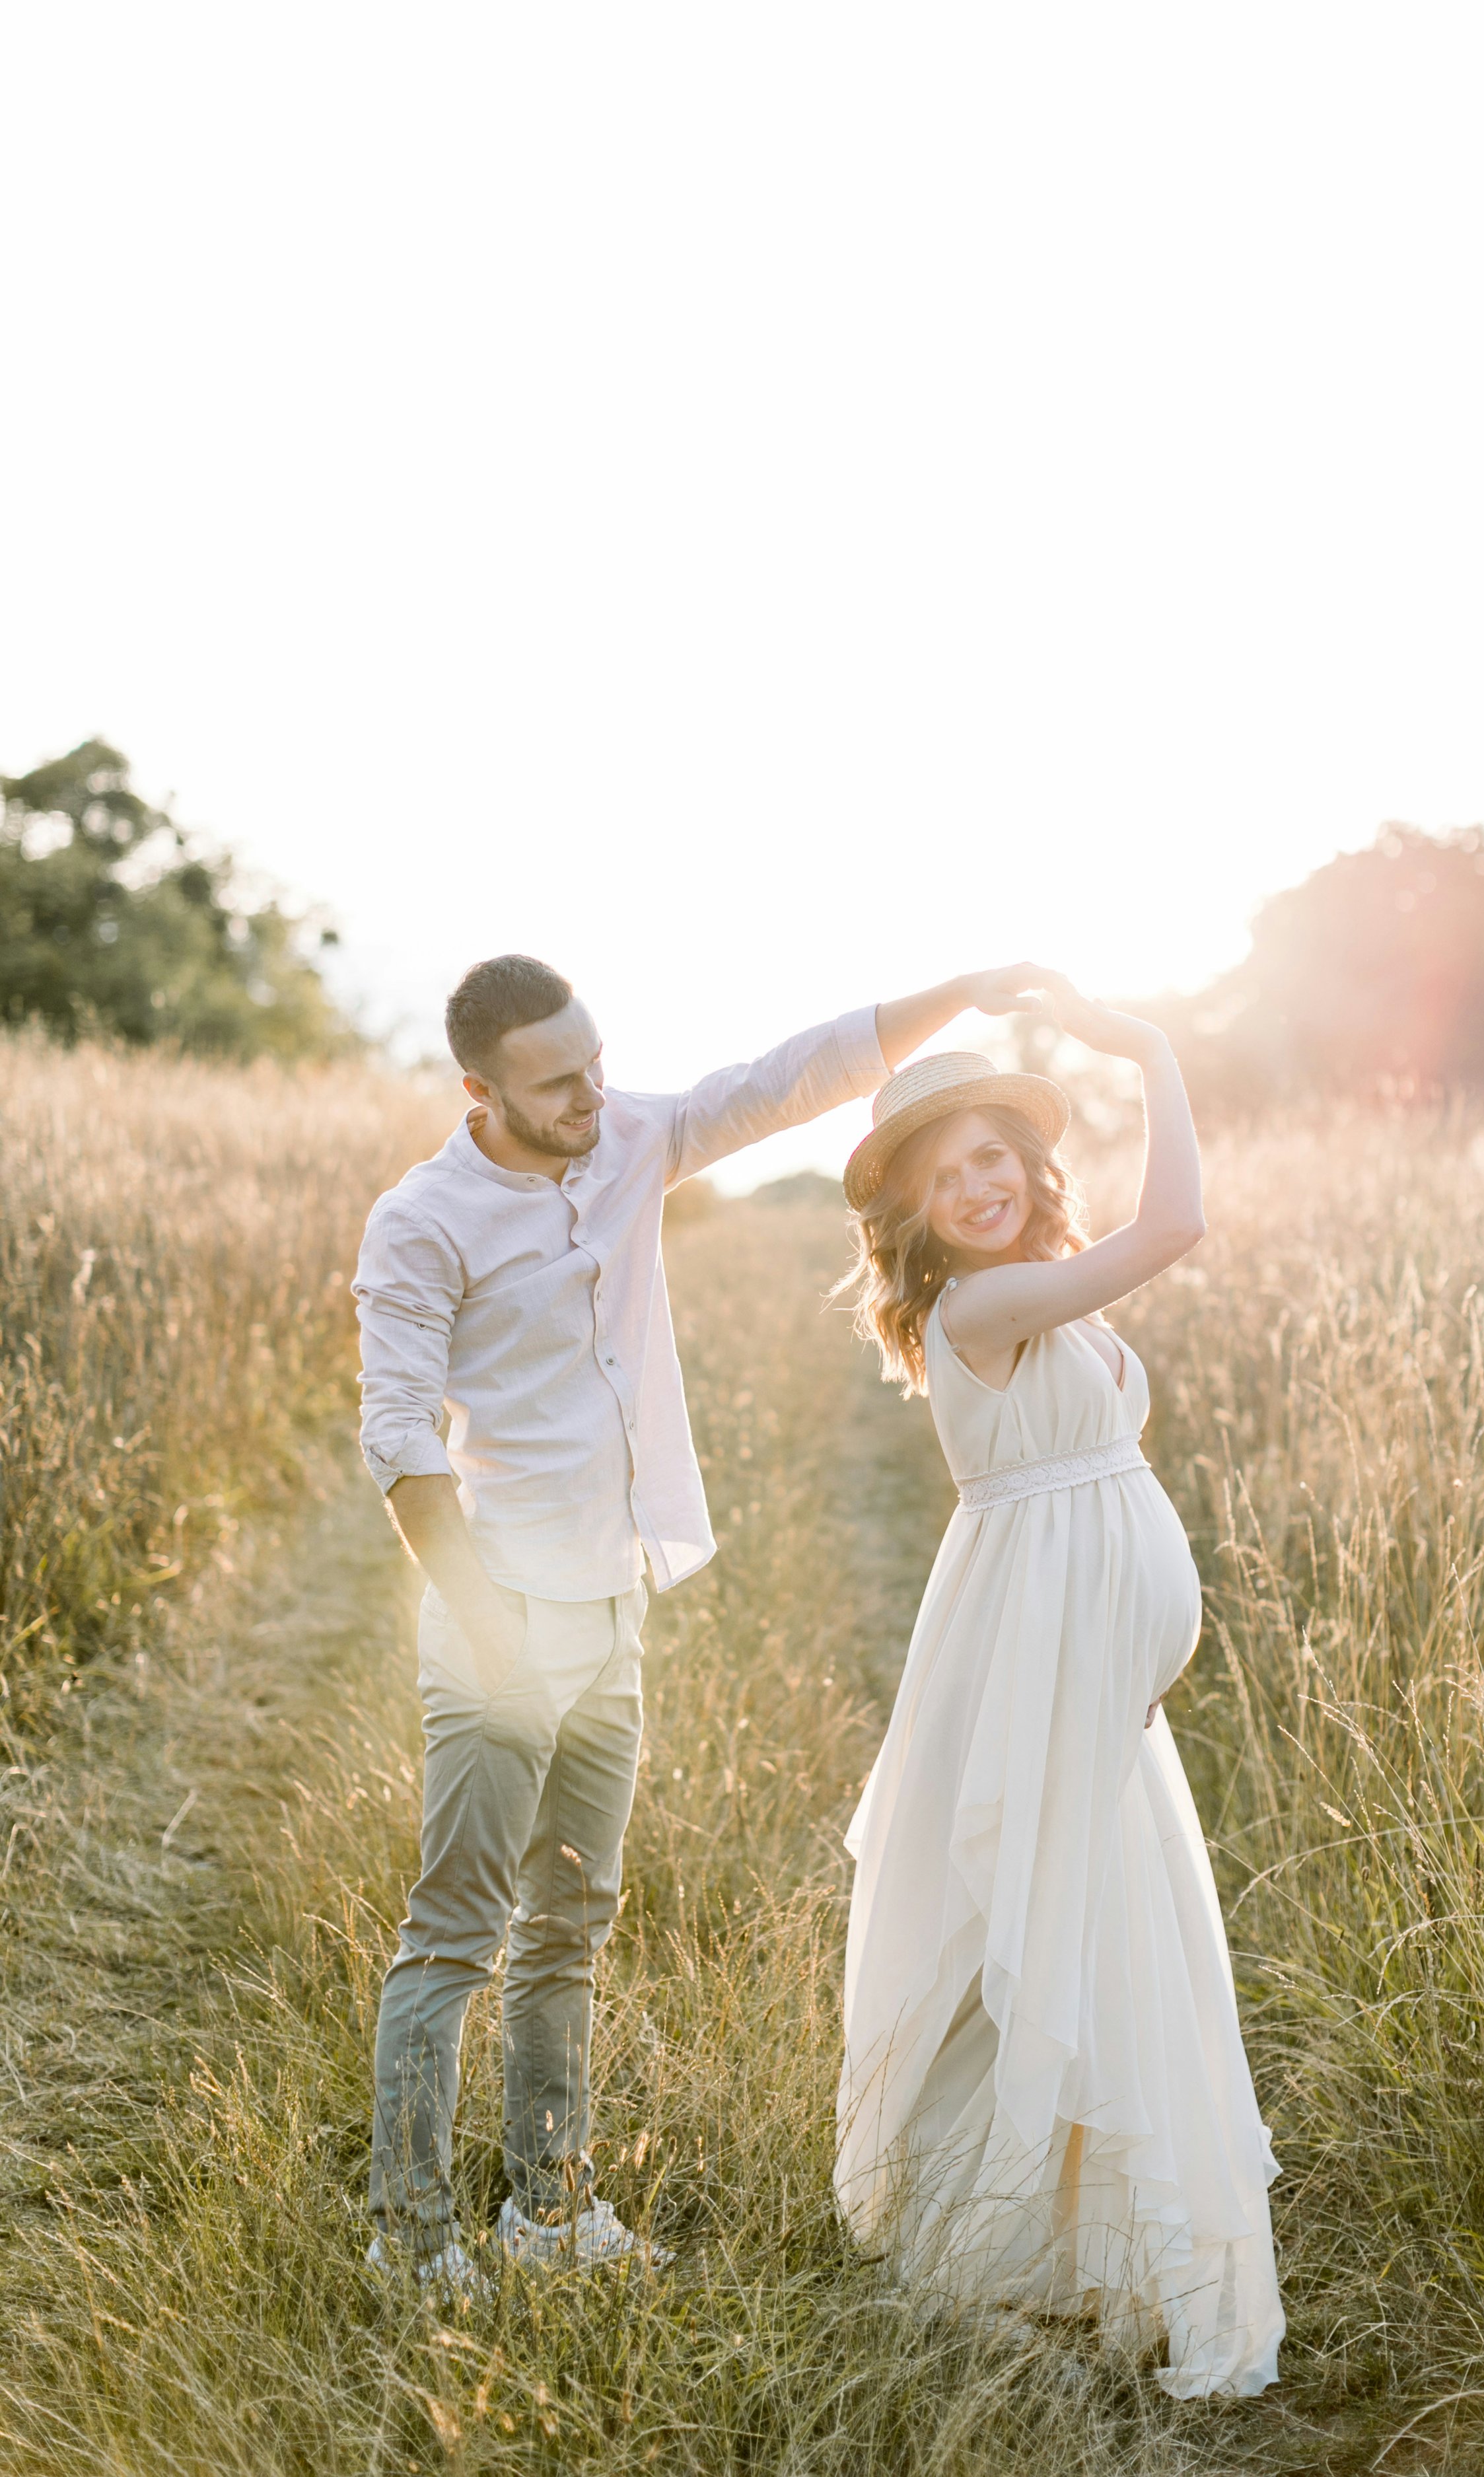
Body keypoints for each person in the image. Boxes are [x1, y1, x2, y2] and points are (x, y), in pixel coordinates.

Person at [353, 951, 1047, 2284]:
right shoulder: (423, 1219)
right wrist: (489, 1637)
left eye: (595, 1065)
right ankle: (411, 2242)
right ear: (477, 1090)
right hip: (493, 1614)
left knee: (569, 1921)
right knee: (453, 1932)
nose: (589, 1098)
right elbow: (398, 1445)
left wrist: (959, 992)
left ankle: (548, 2218)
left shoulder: (627, 1139)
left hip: (607, 1603)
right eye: (555, 1084)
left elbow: (785, 1078)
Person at [833, 974, 1284, 2396]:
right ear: (910, 1211)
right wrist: (1147, 1046)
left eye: (991, 1158)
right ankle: (1032, 2235)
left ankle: (1088, 2242)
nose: (973, 1184)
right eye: (942, 1172)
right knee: (1069, 1924)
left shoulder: (1039, 1294)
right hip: (1035, 1648)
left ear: (1028, 1168)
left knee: (1092, 1921)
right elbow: (1178, 1225)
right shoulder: (983, 1304)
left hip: (1072, 1648)